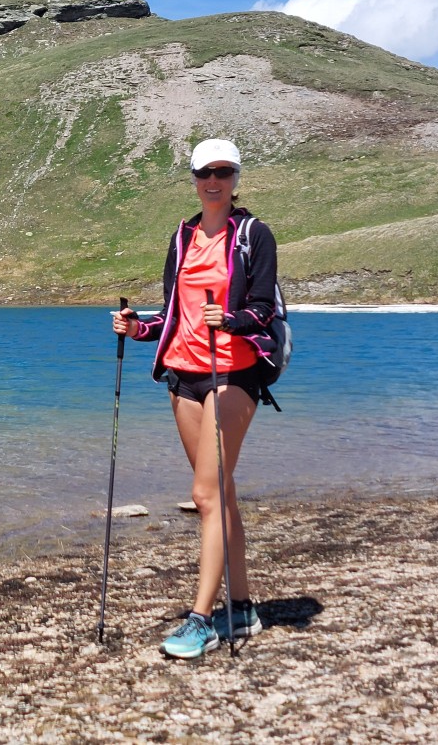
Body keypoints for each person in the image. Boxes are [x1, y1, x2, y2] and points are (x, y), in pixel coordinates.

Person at [111, 137, 279, 660]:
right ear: (193, 177)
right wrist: (138, 328)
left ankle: (203, 619)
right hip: (183, 375)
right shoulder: (182, 237)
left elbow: (262, 311)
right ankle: (245, 607)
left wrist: (228, 320)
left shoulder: (253, 235)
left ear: (235, 179)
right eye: (205, 172)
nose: (214, 181)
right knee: (221, 494)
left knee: (205, 495)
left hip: (233, 373)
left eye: (224, 172)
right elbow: (174, 313)